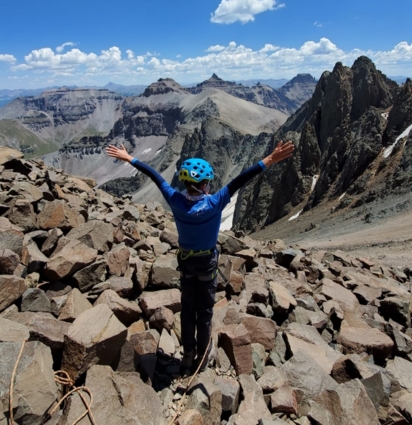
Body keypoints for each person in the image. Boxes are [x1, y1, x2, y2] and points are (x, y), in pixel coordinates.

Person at [106, 139, 294, 373]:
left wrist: (128, 158)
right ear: (206, 185)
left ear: (184, 182)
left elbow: (154, 175)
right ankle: (202, 359)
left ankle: (187, 357)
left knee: (187, 310)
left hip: (186, 264)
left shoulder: (175, 201)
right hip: (207, 264)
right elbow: (241, 179)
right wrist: (270, 159)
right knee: (204, 313)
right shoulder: (215, 203)